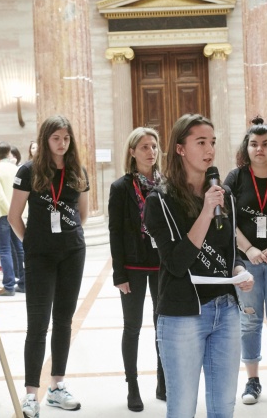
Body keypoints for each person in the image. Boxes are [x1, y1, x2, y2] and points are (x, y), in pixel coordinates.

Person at [143, 113, 254, 418]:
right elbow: (176, 263)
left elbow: (231, 252)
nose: (210, 150)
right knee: (182, 408)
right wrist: (206, 211)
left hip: (226, 311)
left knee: (223, 407)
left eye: (213, 142)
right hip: (182, 315)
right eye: (201, 142)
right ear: (180, 148)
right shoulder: (160, 201)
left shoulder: (224, 195)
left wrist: (239, 271)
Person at [9, 115, 89, 416]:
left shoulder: (77, 171)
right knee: (38, 323)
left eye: (66, 138)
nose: (62, 143)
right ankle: (31, 394)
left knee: (64, 321)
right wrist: (32, 243)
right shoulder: (28, 171)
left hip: (72, 253)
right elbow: (13, 216)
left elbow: (82, 215)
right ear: (45, 140)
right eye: (56, 138)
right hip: (40, 256)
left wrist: (67, 237)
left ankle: (57, 386)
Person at [223, 117, 267, 406]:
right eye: (254, 144)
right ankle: (252, 380)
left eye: (266, 144)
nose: (259, 149)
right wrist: (249, 248)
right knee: (250, 321)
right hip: (247, 261)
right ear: (247, 148)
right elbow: (226, 220)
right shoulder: (235, 178)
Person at [108, 127, 165, 412]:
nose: (150, 151)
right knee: (132, 327)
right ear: (132, 152)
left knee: (163, 325)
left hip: (162, 265)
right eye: (144, 147)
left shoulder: (167, 184)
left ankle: (163, 382)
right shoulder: (121, 187)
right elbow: (115, 232)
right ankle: (133, 386)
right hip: (132, 266)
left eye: (153, 146)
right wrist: (119, 274)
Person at [0, 141, 25, 296]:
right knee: (20, 249)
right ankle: (24, 283)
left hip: (1, 214)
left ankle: (9, 286)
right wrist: (16, 212)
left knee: (4, 250)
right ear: (9, 152)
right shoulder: (16, 168)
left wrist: (9, 211)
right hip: (17, 213)